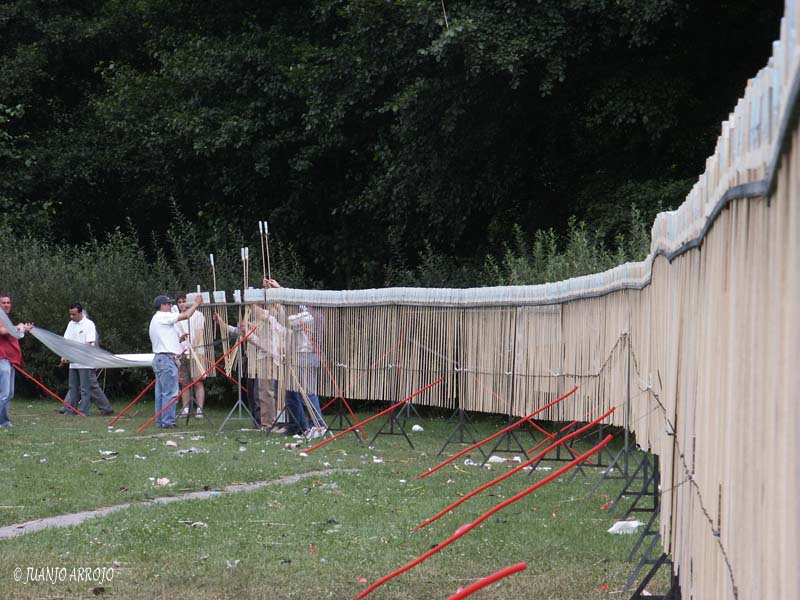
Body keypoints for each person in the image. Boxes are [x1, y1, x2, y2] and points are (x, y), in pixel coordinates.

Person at [214, 300, 286, 434]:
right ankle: (264, 423)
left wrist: (249, 333)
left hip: (268, 360)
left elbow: (265, 345)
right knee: (260, 394)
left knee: (266, 393)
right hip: (259, 361)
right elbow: (237, 331)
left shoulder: (270, 321)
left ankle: (268, 424)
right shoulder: (260, 322)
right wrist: (222, 323)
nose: (252, 311)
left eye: (254, 308)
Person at [272, 277, 327, 440]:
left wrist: (278, 290)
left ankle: (319, 425)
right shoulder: (310, 313)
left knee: (308, 393)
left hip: (306, 356)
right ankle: (303, 426)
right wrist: (278, 289)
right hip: (304, 356)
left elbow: (290, 317)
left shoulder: (309, 317)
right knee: (296, 393)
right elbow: (293, 309)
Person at [149, 293, 202, 428]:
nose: (171, 305)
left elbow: (165, 338)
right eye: (168, 304)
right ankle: (168, 422)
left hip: (160, 358)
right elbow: (185, 315)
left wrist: (179, 339)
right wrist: (196, 304)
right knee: (170, 392)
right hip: (166, 359)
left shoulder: (156, 319)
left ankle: (161, 421)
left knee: (161, 393)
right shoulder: (163, 316)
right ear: (162, 306)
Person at [61, 303, 114, 416]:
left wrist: (77, 356)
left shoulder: (89, 325)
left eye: (74, 314)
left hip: (85, 363)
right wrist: (64, 356)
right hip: (73, 363)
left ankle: (84, 411)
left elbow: (88, 344)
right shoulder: (71, 324)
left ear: (80, 313)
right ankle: (71, 410)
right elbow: (66, 342)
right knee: (73, 387)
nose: (71, 317)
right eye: (70, 314)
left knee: (85, 388)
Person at [0, 294, 34, 427]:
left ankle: (4, 421)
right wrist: (17, 327)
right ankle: (3, 421)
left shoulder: (6, 319)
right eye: (3, 302)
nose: (7, 305)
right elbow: (2, 331)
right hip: (1, 359)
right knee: (4, 393)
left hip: (9, 360)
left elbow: (13, 335)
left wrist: (24, 330)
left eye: (8, 302)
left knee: (10, 394)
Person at [174, 292, 207, 418]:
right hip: (182, 353)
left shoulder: (198, 315)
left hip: (196, 353)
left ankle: (199, 409)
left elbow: (199, 334)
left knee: (197, 382)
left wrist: (193, 350)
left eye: (184, 301)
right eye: (179, 302)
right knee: (184, 383)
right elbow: (176, 336)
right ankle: (186, 408)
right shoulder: (177, 317)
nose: (182, 304)